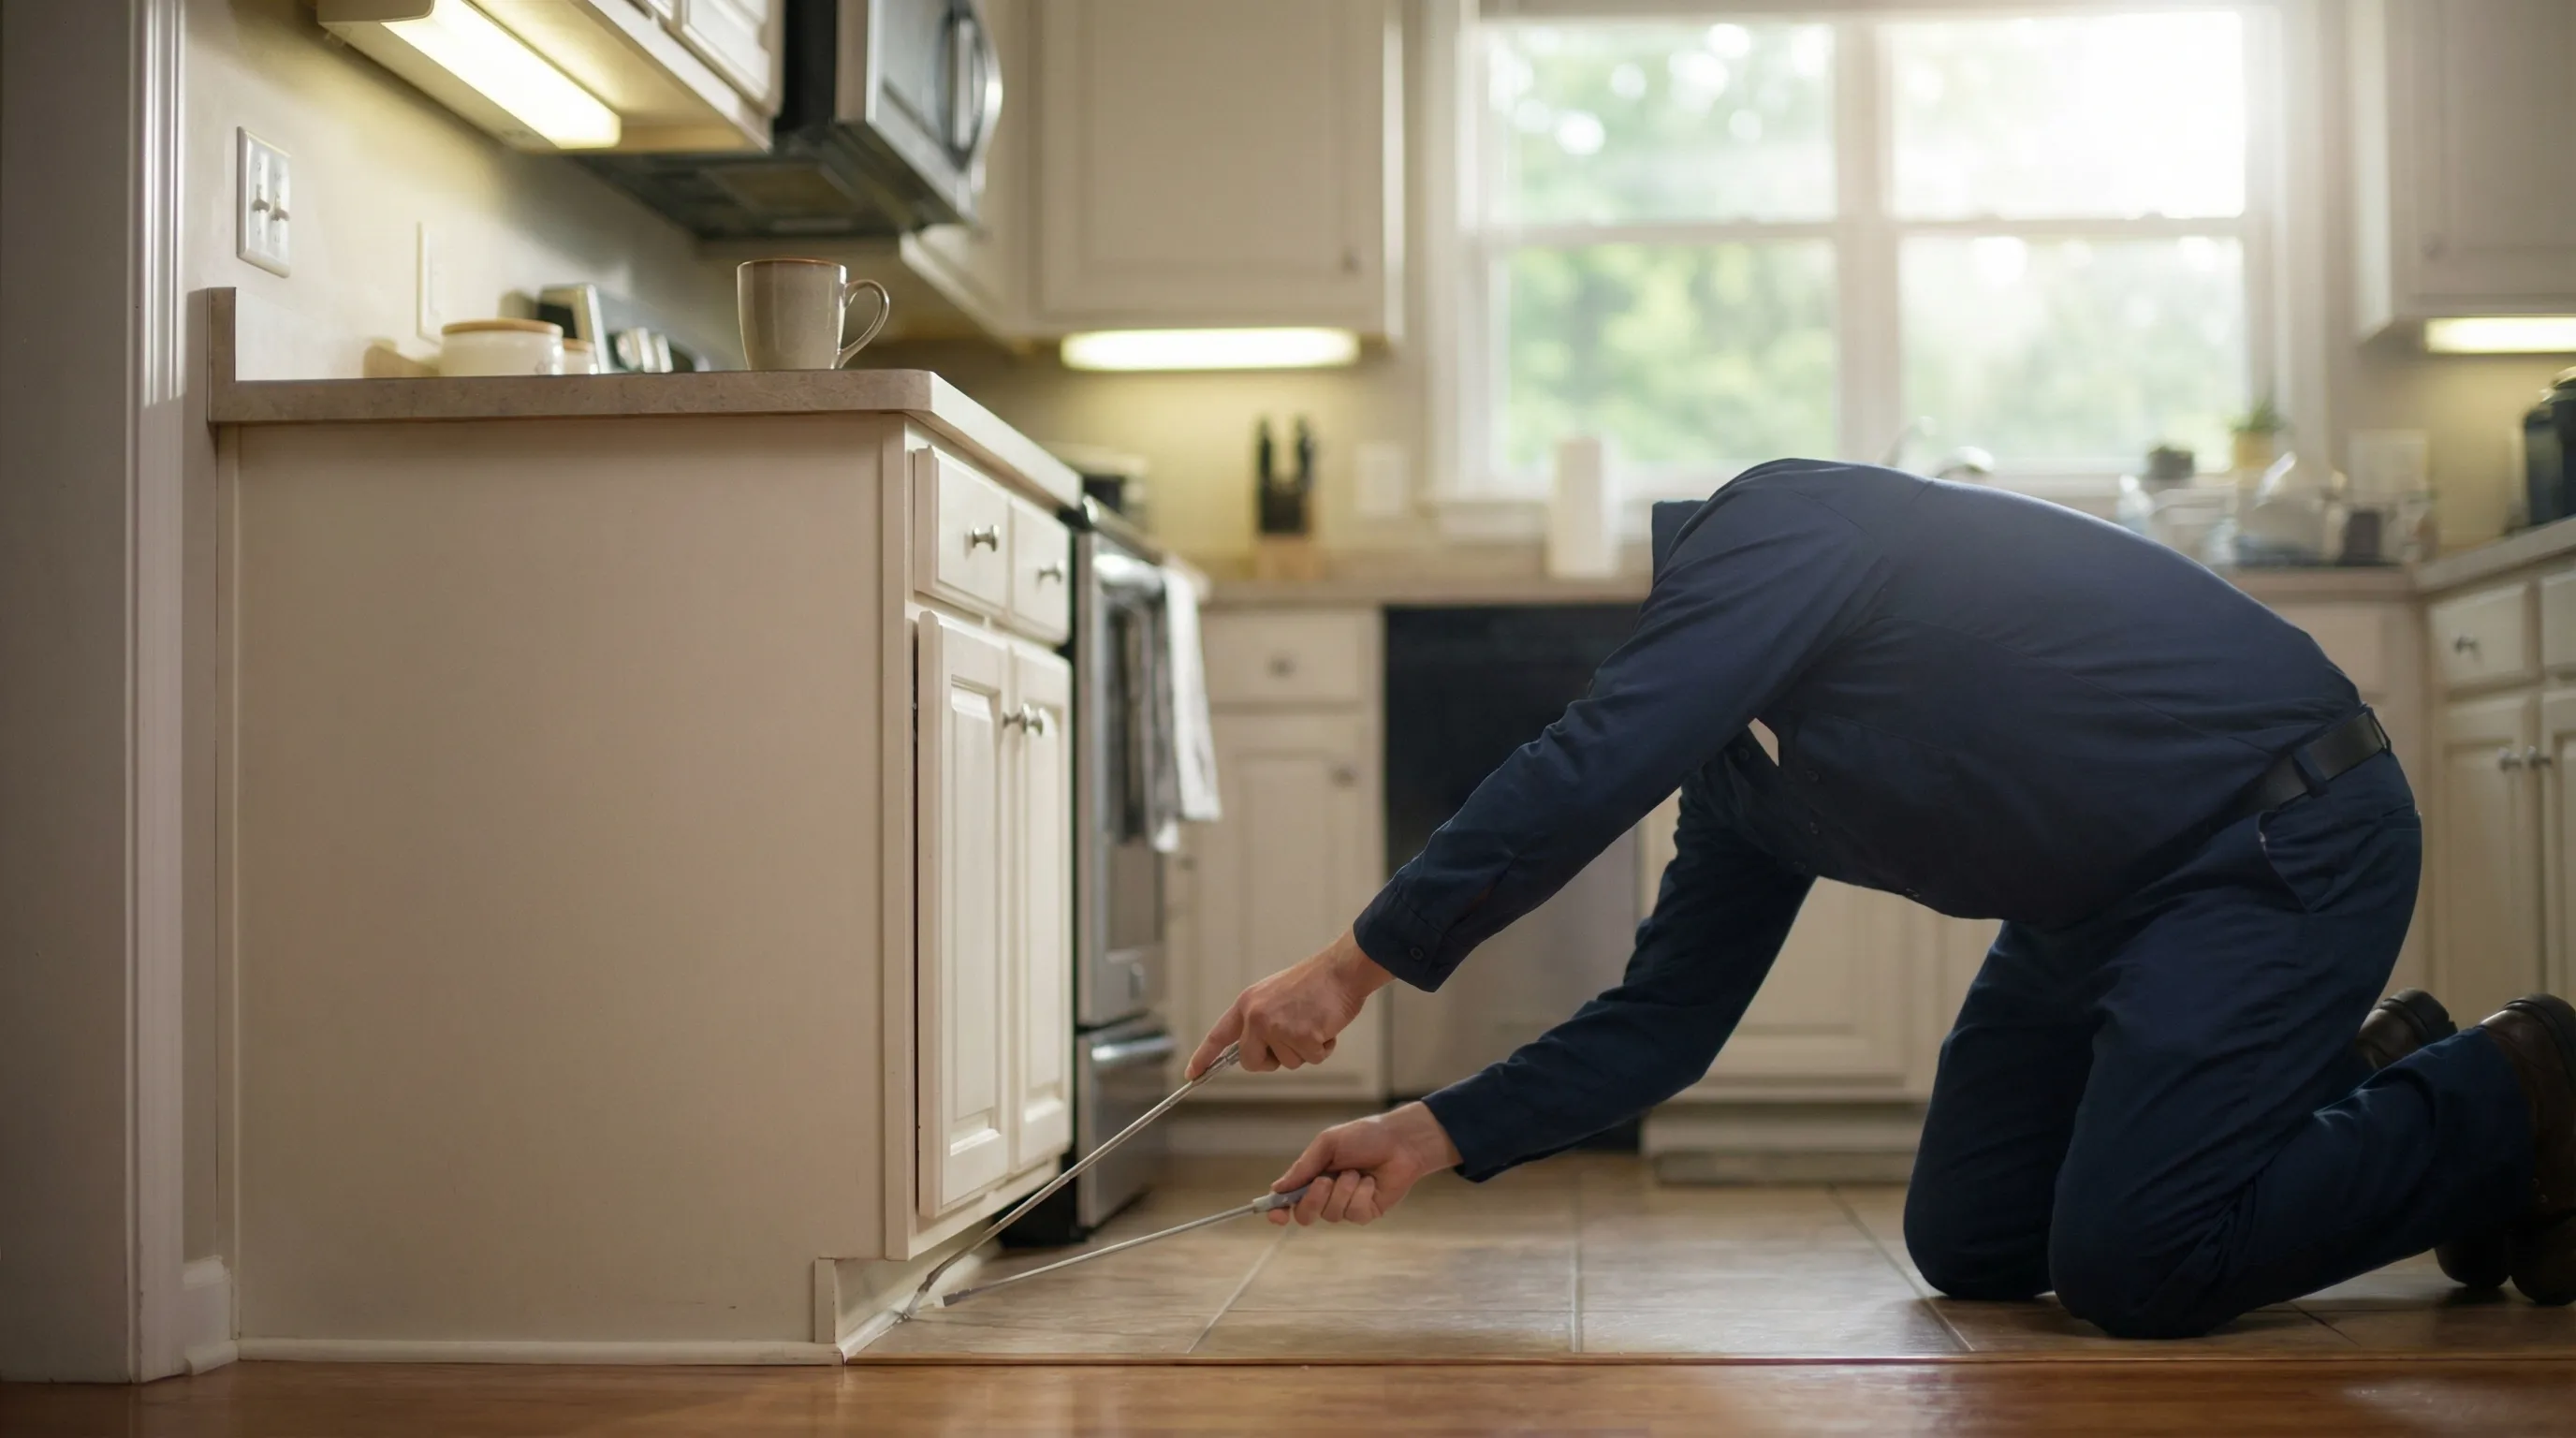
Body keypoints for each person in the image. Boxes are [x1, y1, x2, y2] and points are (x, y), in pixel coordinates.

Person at [1185, 458, 2576, 1340]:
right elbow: (1663, 1023)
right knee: (1970, 1242)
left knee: (2134, 1269)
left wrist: (1351, 967)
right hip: (2091, 908)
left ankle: (2514, 1090)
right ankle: (2358, 1076)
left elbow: (1597, 755)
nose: (1648, 699)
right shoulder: (1741, 785)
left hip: (2278, 840)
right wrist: (1425, 1136)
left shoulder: (1784, 522)